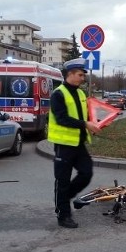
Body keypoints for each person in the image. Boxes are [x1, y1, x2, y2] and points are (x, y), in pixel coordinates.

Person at [48, 57, 101, 228]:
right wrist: (85, 124)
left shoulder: (80, 93)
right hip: (63, 144)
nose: (83, 77)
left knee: (86, 173)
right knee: (62, 180)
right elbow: (62, 118)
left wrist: (95, 122)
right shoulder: (58, 94)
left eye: (83, 74)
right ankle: (63, 215)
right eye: (80, 74)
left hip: (78, 143)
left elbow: (83, 116)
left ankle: (64, 196)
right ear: (70, 74)